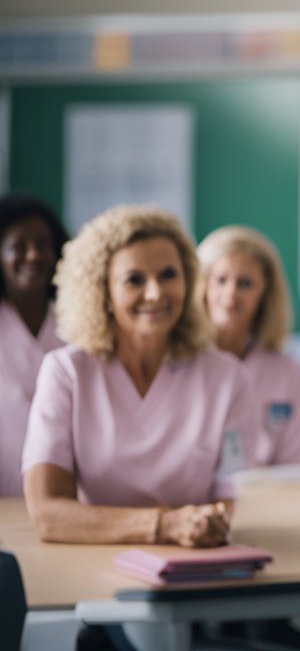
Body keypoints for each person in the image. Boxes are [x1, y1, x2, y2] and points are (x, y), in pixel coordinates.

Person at [23, 205, 254, 546]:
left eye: (168, 275)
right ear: (103, 292)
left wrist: (199, 528)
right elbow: (48, 514)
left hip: (192, 560)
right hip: (88, 558)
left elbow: (229, 495)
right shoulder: (66, 372)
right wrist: (163, 524)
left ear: (189, 282)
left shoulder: (227, 378)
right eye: (134, 280)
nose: (155, 293)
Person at [198, 225, 300, 469]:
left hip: (263, 497)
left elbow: (296, 463)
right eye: (220, 280)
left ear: (265, 294)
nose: (230, 294)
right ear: (202, 286)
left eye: (245, 283)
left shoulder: (286, 371)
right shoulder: (181, 363)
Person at [0, 194, 68, 497]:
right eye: (18, 246)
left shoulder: (75, 322)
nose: (33, 256)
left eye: (43, 245)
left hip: (64, 492)